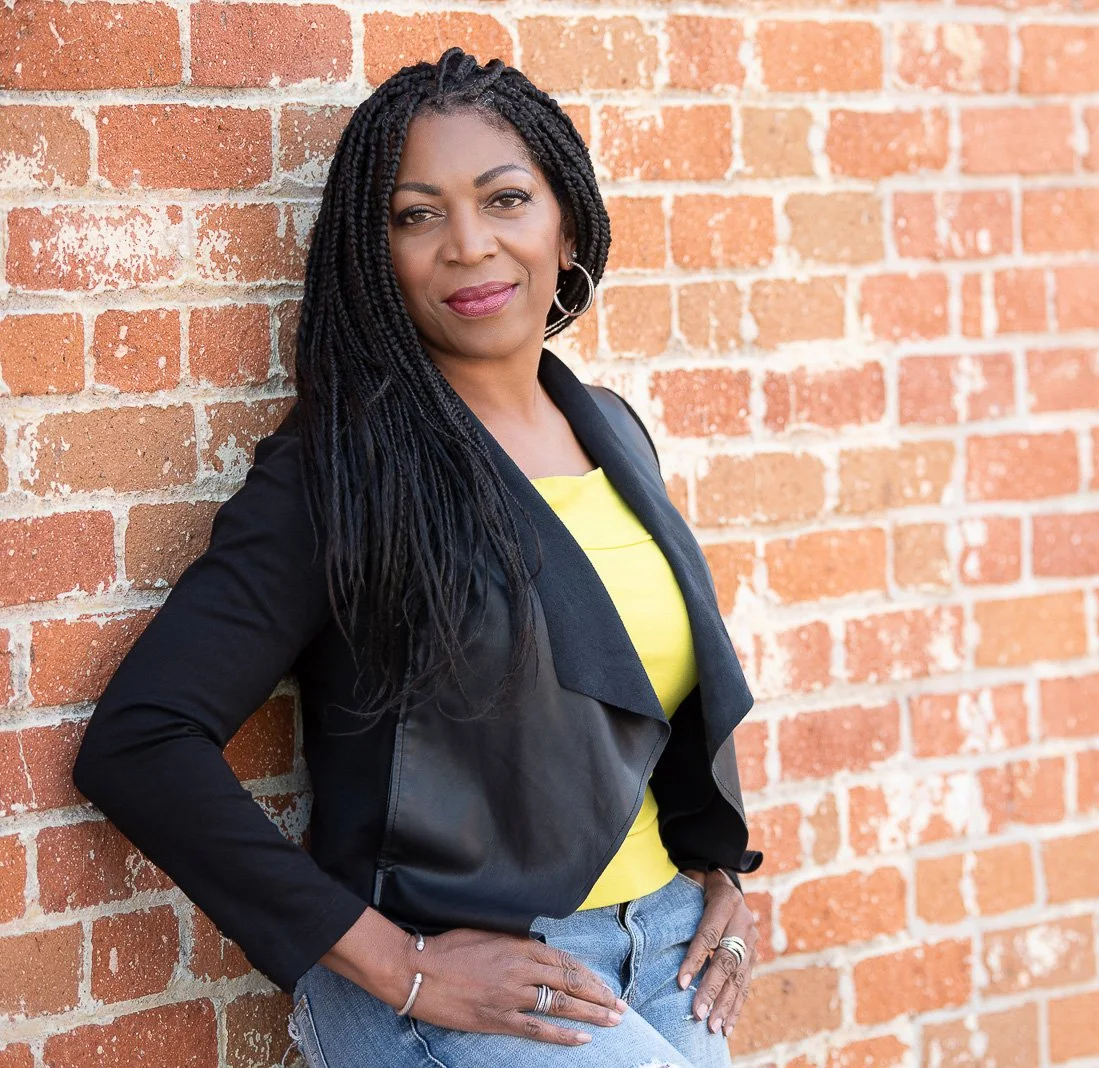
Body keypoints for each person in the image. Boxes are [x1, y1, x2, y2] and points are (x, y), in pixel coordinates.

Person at [71, 47, 762, 1068]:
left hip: (661, 951)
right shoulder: (341, 468)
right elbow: (140, 740)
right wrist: (401, 967)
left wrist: (719, 879)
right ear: (373, 251)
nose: (469, 244)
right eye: (415, 215)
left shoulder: (610, 429)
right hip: (474, 986)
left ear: (564, 221)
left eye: (505, 199)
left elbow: (636, 706)